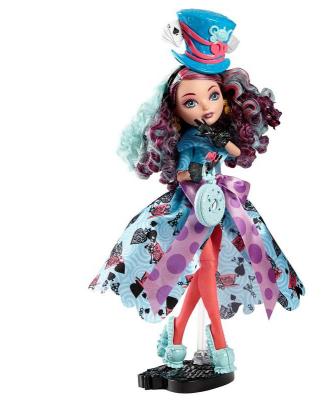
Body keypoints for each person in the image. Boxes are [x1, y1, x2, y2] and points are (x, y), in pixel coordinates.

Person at [89, 9, 305, 375]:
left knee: (208, 268)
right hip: (191, 208)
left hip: (221, 205)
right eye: (191, 102)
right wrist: (195, 170)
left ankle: (176, 332)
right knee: (205, 267)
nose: (205, 107)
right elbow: (184, 171)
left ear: (226, 97)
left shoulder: (214, 132)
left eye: (213, 96)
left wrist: (224, 139)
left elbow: (237, 154)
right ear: (174, 109)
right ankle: (219, 341)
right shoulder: (188, 140)